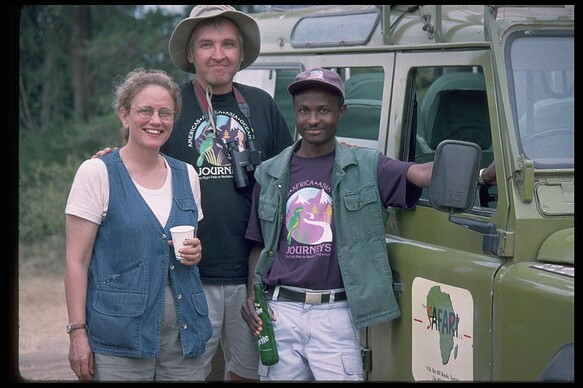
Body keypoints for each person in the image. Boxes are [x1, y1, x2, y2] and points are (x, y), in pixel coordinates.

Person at [94, 5, 294, 381]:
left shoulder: (263, 105)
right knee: (189, 372)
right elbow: (135, 156)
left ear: (240, 52)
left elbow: (291, 170)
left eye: (228, 44)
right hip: (184, 277)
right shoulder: (173, 105)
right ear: (190, 54)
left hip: (251, 274)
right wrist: (107, 158)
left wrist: (336, 153)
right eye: (206, 44)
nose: (218, 53)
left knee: (250, 371)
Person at [240, 67, 434, 381]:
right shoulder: (270, 171)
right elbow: (258, 244)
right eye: (304, 110)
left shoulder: (367, 165)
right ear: (296, 114)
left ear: (341, 112)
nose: (313, 119)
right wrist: (253, 296)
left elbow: (420, 174)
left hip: (335, 314)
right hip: (280, 312)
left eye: (324, 111)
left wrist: (479, 175)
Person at [64, 68, 212, 381]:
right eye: (145, 110)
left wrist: (195, 252)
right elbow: (76, 263)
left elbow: (186, 251)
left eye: (165, 113)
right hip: (120, 344)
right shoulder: (97, 173)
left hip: (185, 343)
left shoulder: (188, 175)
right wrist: (77, 334)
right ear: (124, 115)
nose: (155, 121)